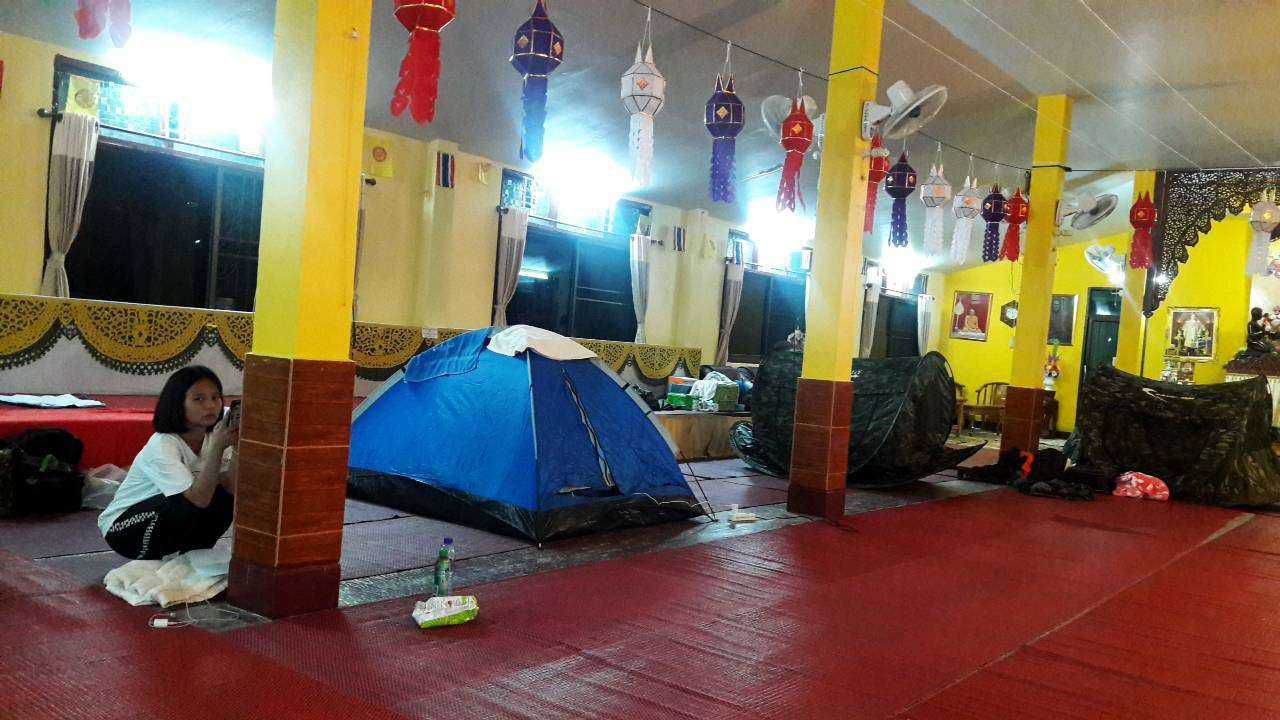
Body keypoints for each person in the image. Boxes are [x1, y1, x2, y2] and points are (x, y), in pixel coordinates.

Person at [98, 366, 238, 560]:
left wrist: (238, 446)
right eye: (198, 399)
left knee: (225, 497)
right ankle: (159, 559)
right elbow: (198, 499)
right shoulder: (163, 443)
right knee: (184, 503)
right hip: (123, 530)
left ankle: (192, 556)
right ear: (177, 404)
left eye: (215, 398)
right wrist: (218, 447)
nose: (210, 405)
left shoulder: (215, 436)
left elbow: (231, 486)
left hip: (168, 519)